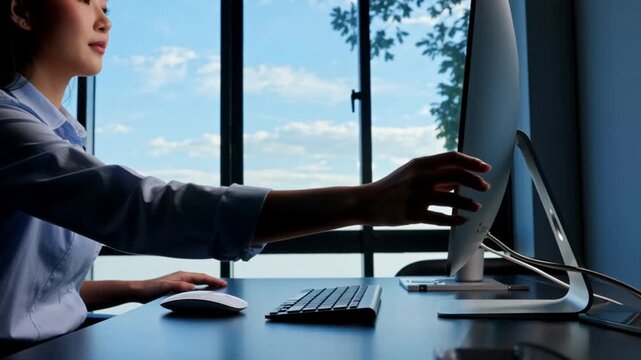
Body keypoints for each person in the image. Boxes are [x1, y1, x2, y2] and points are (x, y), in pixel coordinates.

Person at [0, 0, 491, 347]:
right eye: (86, 0)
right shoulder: (7, 126)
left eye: (106, 4)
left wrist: (139, 288)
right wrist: (364, 201)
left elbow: (26, 292)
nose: (105, 18)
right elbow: (140, 206)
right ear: (21, 11)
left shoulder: (62, 135)